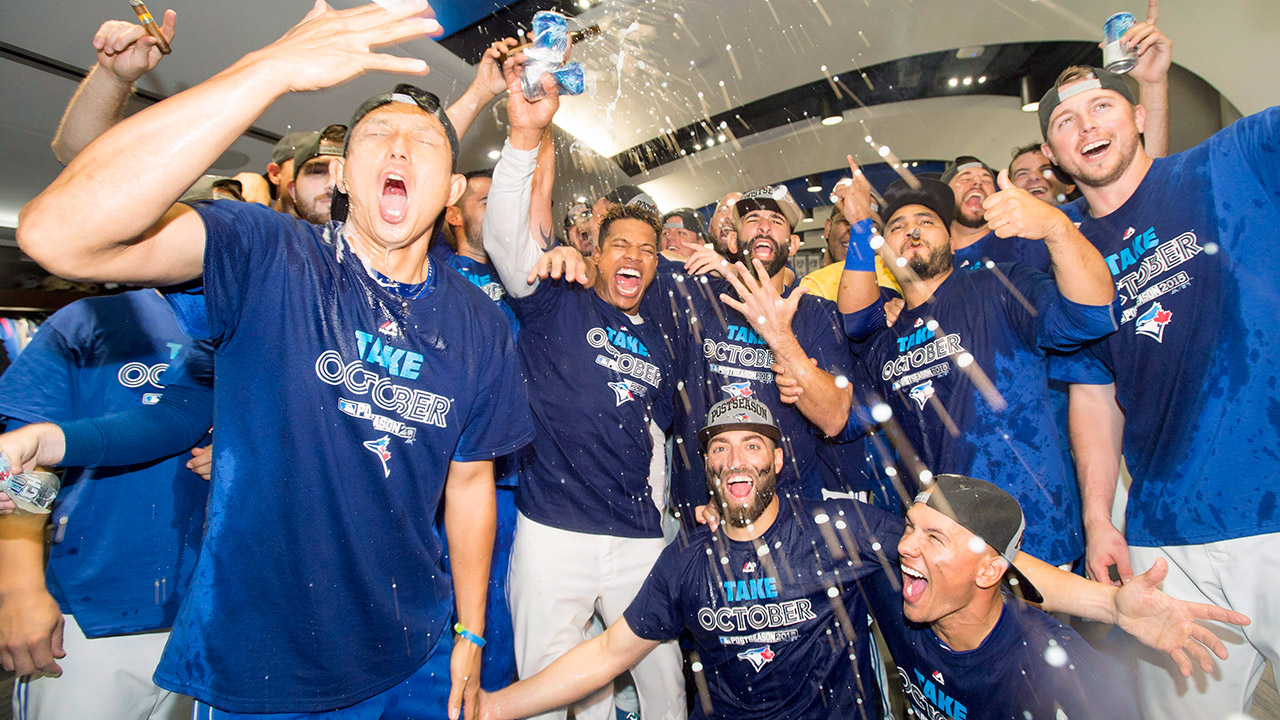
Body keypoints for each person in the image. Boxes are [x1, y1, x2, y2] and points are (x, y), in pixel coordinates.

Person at [16, 3, 534, 718]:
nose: (398, 151)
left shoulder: (479, 322)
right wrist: (268, 69)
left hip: (414, 650)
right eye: (377, 136)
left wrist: (471, 631)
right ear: (345, 177)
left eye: (424, 144)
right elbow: (58, 236)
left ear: (450, 194)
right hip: (266, 666)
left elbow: (471, 481)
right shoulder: (269, 255)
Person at [475, 397, 1248, 720]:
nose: (737, 458)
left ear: (778, 462)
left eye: (755, 444)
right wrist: (494, 706)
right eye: (721, 448)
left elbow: (997, 564)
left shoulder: (839, 529)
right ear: (707, 468)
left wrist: (1113, 604)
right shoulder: (686, 566)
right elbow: (609, 651)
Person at [1038, 61, 1280, 719]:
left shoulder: (1228, 163)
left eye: (1103, 108)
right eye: (1065, 121)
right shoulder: (1069, 254)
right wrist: (1098, 521)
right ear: (1054, 157)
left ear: (1141, 114)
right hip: (1166, 545)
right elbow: (1092, 393)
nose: (1087, 125)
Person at [483, 53, 685, 720]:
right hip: (552, 533)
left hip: (636, 537)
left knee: (664, 690)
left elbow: (663, 439)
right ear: (594, 251)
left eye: (647, 250)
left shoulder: (660, 341)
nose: (633, 256)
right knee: (549, 694)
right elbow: (507, 241)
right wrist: (523, 142)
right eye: (619, 244)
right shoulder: (556, 297)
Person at [832, 167, 1117, 566]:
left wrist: (1057, 228)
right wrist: (861, 226)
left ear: (950, 237)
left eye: (926, 222)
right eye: (897, 226)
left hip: (1032, 539)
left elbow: (1089, 314)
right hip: (943, 554)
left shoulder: (997, 284)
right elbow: (853, 339)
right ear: (883, 251)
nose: (912, 232)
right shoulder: (885, 336)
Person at [0, 290, 209, 720]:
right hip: (90, 607)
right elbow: (25, 467)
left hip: (214, 617)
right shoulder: (90, 320)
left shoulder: (265, 322)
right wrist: (20, 588)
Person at [664, 184, 861, 525]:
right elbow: (635, 262)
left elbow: (835, 417)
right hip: (703, 512)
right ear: (731, 240)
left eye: (776, 220)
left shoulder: (816, 313)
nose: (765, 227)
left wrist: (780, 337)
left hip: (791, 516)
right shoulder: (695, 296)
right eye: (753, 219)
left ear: (794, 243)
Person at [868, 475, 1139, 720]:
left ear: (988, 572)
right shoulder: (888, 586)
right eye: (909, 526)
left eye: (935, 538)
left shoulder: (1056, 666)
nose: (904, 546)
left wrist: (1111, 605)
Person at [289, 123, 346, 224]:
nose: (333, 185)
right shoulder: (271, 236)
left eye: (345, 172)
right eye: (318, 171)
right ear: (293, 190)